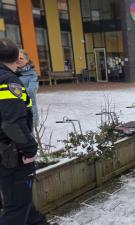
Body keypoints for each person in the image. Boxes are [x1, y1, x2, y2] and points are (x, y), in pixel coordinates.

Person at [0, 38, 56, 225]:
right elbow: (12, 124)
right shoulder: (8, 81)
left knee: (23, 203)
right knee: (17, 208)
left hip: (6, 153)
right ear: (16, 57)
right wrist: (30, 147)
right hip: (12, 155)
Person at [16, 50, 39, 126]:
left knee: (28, 136)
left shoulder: (32, 75)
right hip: (13, 111)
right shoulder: (11, 73)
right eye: (16, 58)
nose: (18, 60)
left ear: (27, 60)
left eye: (21, 58)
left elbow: (31, 92)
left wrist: (13, 91)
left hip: (28, 111)